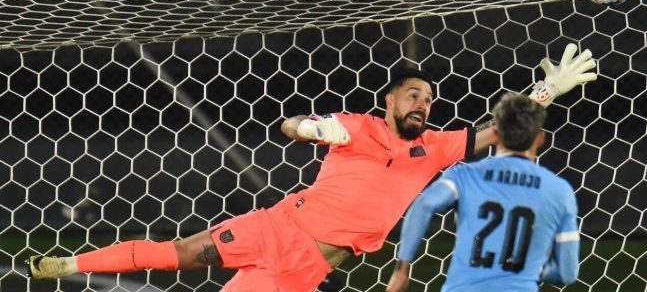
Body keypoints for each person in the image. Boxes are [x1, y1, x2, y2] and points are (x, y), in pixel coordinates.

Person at [27, 44, 595, 292]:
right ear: (390, 101)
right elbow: (290, 125)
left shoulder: (437, 149)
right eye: (412, 95)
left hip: (301, 271)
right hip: (278, 223)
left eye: (428, 99)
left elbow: (504, 129)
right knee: (179, 253)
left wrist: (550, 89)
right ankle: (65, 262)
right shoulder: (358, 127)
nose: (423, 104)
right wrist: (311, 126)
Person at [385, 92, 580, 292]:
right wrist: (532, 268)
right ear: (540, 138)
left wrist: (402, 269)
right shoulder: (560, 191)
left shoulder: (464, 175)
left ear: (495, 134)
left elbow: (424, 204)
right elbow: (567, 273)